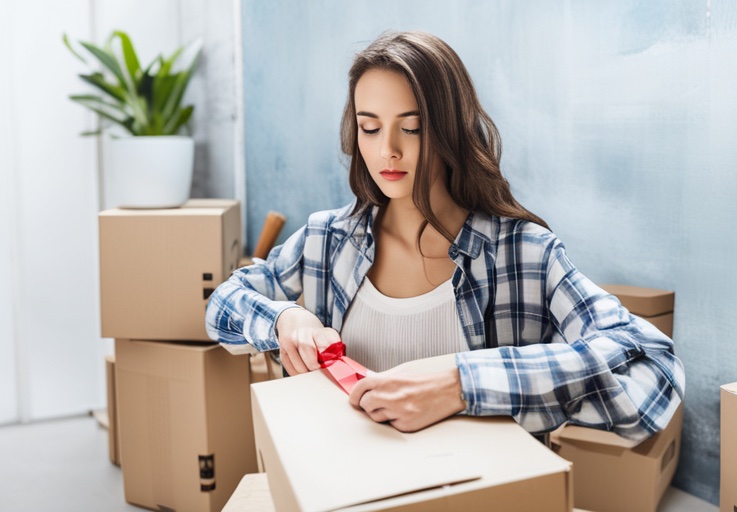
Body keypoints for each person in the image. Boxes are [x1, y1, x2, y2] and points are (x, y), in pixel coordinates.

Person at [206, 30, 684, 441]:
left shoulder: (523, 255)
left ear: (450, 128)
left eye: (410, 128)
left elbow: (654, 368)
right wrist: (285, 318)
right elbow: (222, 304)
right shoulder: (326, 241)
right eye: (369, 128)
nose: (386, 151)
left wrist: (461, 383)